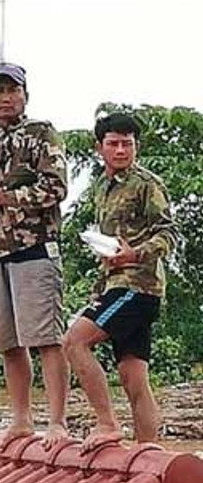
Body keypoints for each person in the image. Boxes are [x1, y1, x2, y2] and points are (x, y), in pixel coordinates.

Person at [0, 63, 70, 450]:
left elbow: (56, 188)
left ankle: (57, 422)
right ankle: (22, 420)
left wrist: (3, 196)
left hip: (34, 249)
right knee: (8, 344)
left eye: (11, 90)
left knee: (46, 339)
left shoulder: (41, 134)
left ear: (25, 94)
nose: (4, 97)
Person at [62, 113, 175, 452]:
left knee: (74, 342)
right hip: (115, 284)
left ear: (136, 146)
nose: (121, 149)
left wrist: (135, 254)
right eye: (114, 143)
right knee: (132, 375)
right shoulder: (101, 187)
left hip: (137, 286)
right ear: (100, 148)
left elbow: (168, 233)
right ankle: (147, 452)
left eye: (128, 143)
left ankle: (107, 423)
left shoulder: (147, 184)